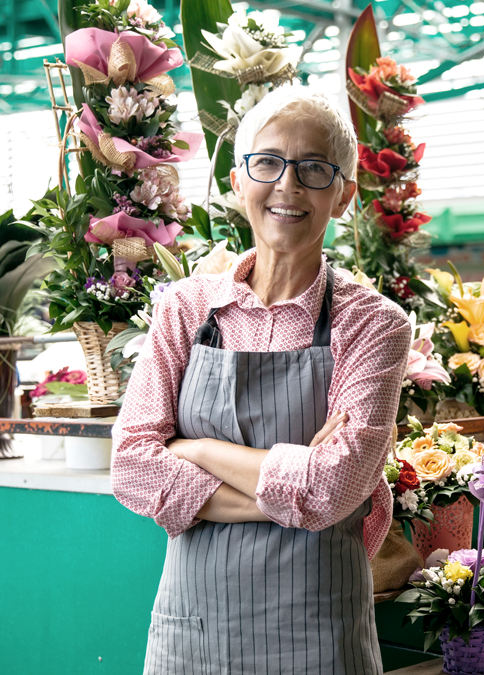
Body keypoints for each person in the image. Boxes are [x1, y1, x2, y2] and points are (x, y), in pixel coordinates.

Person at [111, 85, 410, 674]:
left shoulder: (373, 324)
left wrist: (195, 449)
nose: (288, 186)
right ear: (237, 180)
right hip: (191, 631)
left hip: (318, 631)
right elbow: (132, 466)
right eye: (268, 162)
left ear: (344, 195)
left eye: (314, 169)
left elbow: (334, 488)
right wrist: (300, 491)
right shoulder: (186, 310)